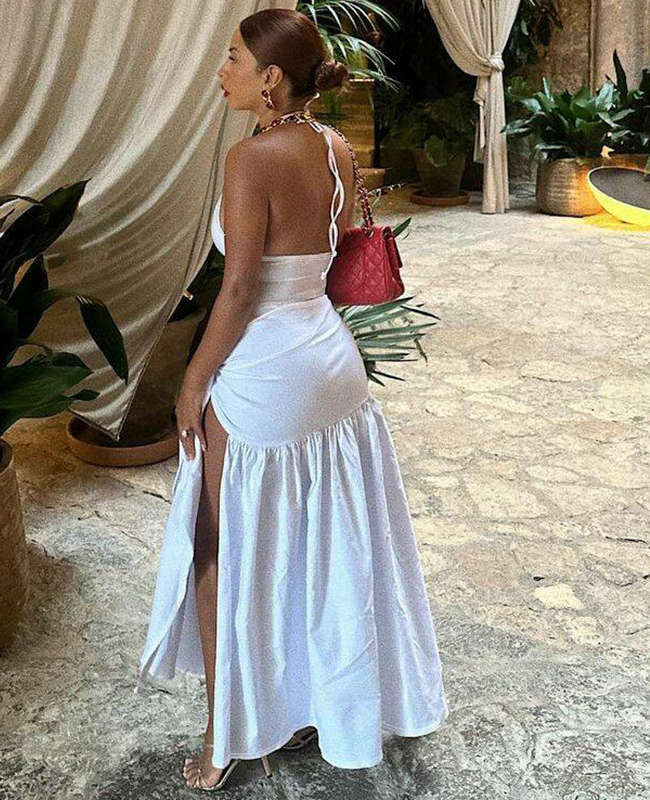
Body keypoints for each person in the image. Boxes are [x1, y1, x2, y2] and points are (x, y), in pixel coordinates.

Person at [136, 8, 449, 791]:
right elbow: (331, 257)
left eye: (233, 58)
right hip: (332, 366)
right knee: (312, 545)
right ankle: (307, 703)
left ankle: (223, 739)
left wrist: (192, 381)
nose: (222, 70)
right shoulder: (335, 146)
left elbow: (241, 288)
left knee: (216, 550)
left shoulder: (251, 158)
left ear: (270, 77)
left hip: (264, 377)